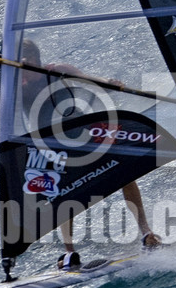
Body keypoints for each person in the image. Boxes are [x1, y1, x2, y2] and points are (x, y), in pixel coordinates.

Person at [17, 40, 164, 270]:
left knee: (123, 173)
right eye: (20, 62)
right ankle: (69, 252)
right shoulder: (17, 84)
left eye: (27, 61)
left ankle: (147, 234)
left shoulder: (57, 71)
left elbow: (92, 82)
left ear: (36, 59)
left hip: (81, 132)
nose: (24, 68)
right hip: (49, 144)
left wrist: (109, 83)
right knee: (61, 192)